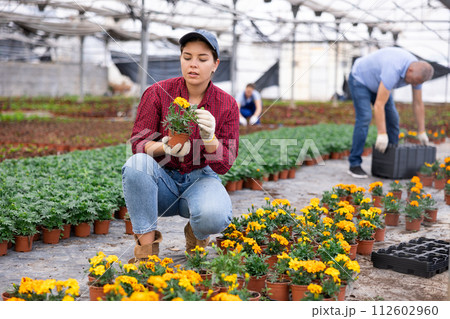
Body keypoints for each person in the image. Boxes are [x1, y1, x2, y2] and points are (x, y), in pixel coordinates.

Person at [122, 30, 240, 262]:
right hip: (161, 180)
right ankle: (146, 254)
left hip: (200, 180)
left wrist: (210, 139)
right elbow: (137, 144)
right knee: (137, 164)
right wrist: (164, 147)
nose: (193, 64)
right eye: (187, 57)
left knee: (214, 215)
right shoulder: (157, 93)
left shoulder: (227, 104)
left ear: (215, 64)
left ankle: (196, 234)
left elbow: (225, 165)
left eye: (202, 59)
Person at [347, 47, 434, 178]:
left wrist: (421, 131)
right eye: (413, 81)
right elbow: (379, 105)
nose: (414, 84)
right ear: (409, 70)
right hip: (360, 80)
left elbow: (417, 103)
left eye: (417, 83)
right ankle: (354, 164)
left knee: (393, 119)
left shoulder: (418, 73)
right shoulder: (393, 68)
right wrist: (382, 133)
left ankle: (390, 162)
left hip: (379, 84)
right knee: (365, 117)